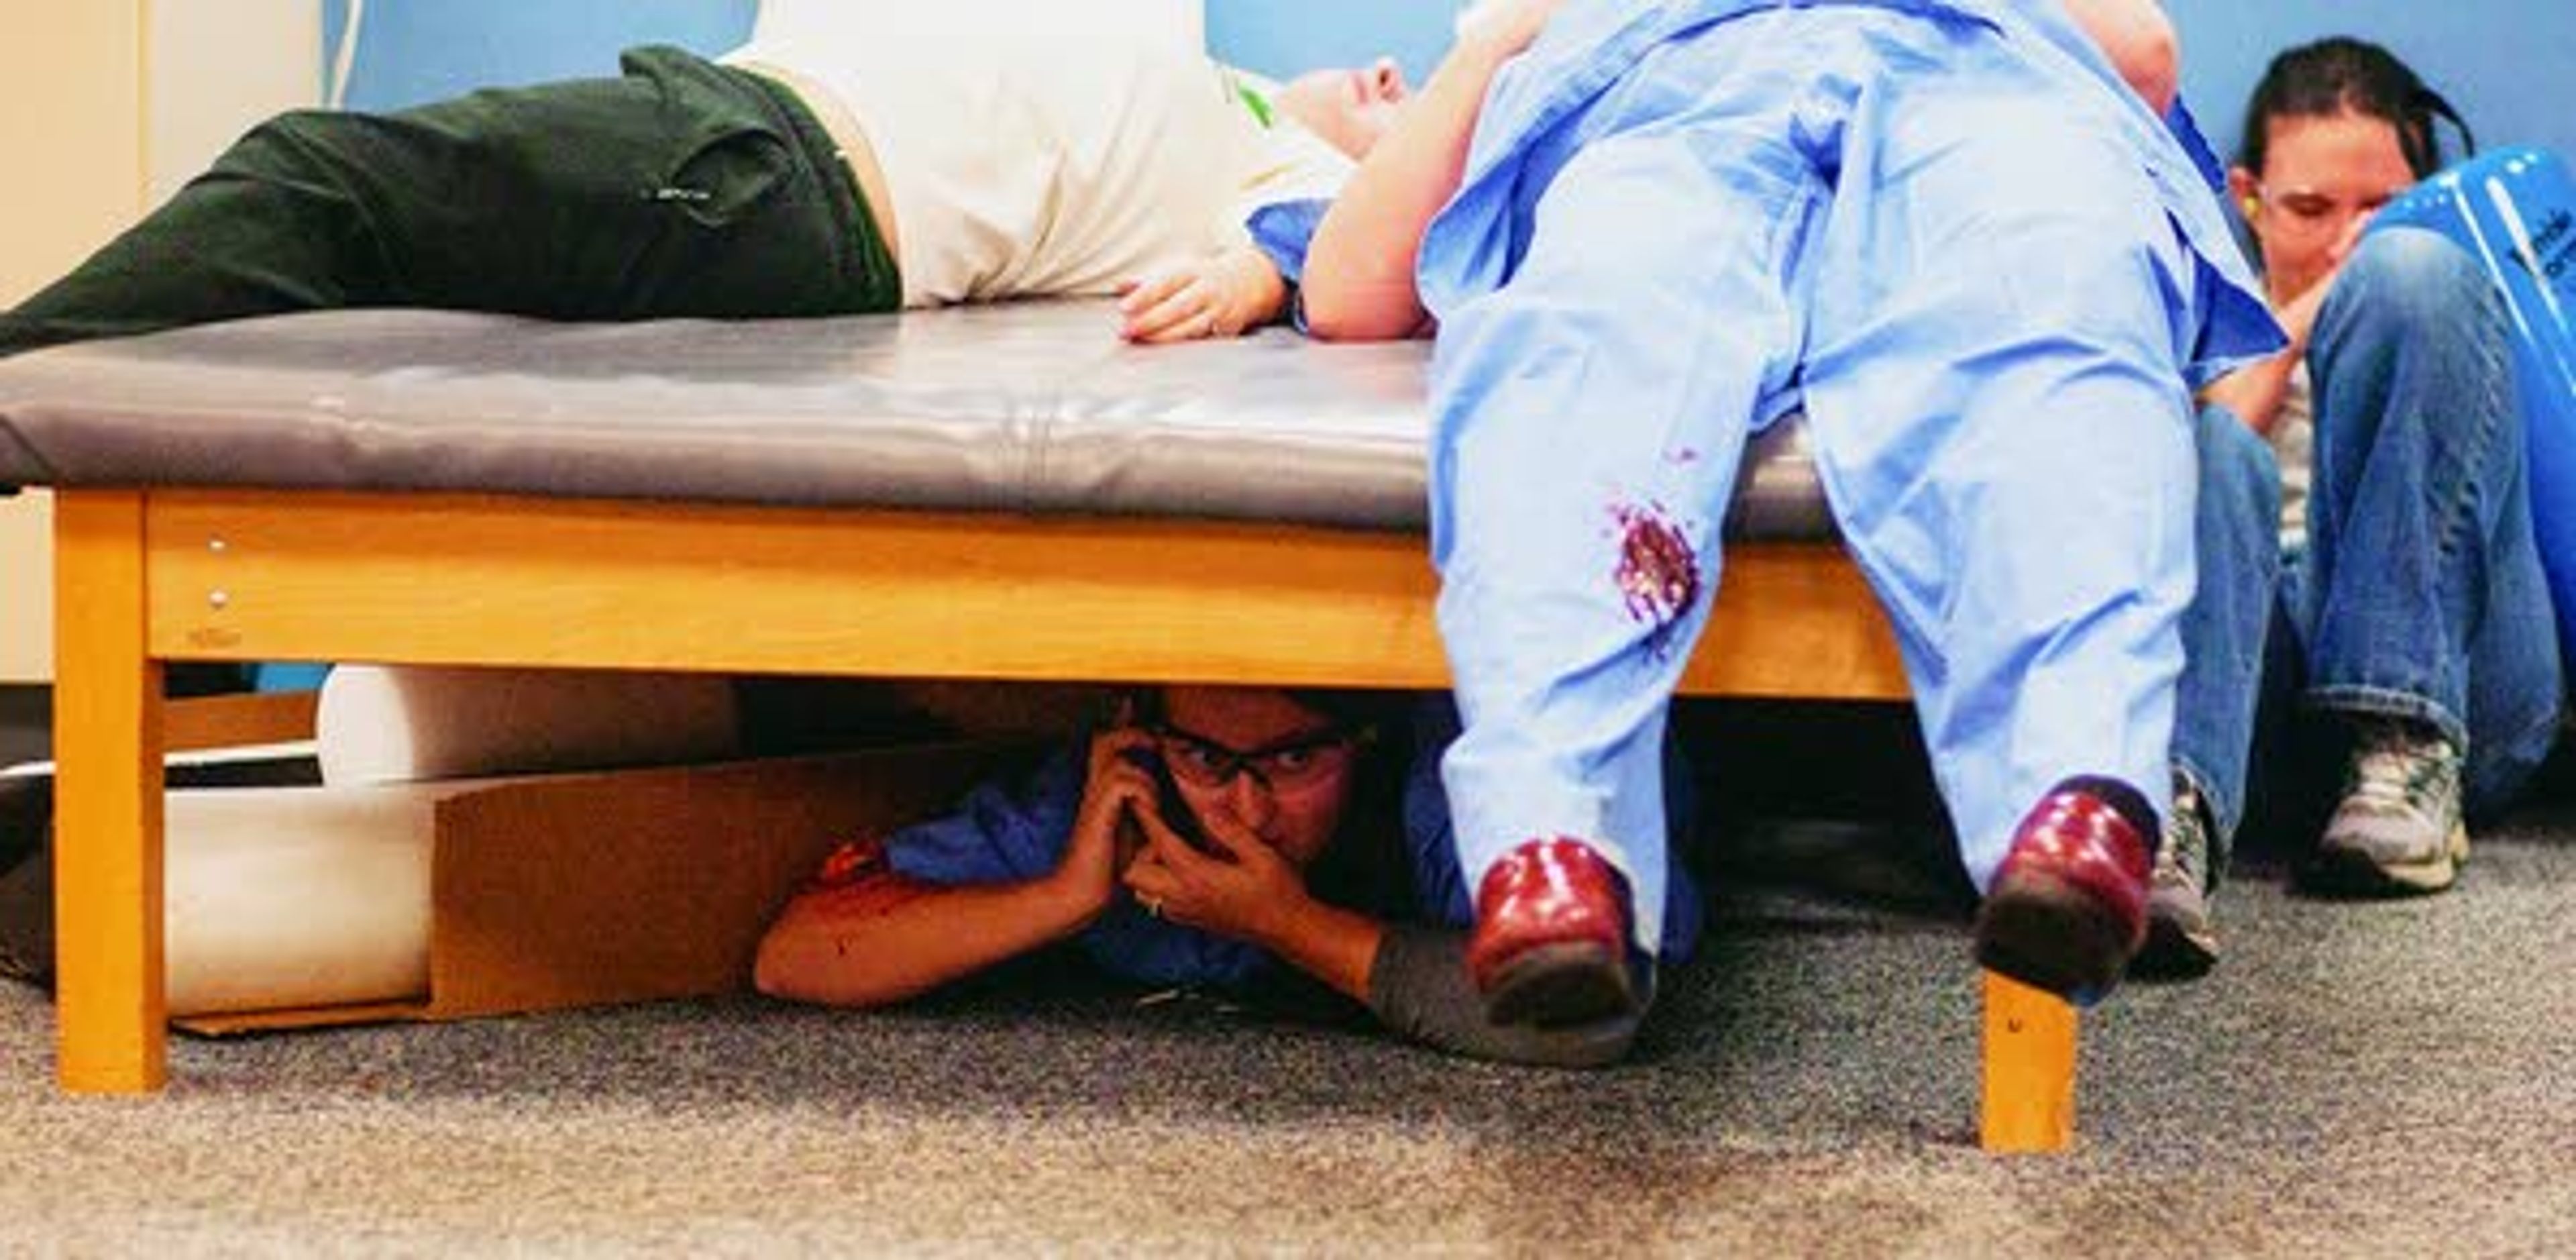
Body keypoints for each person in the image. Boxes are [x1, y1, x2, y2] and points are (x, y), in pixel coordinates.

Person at [1287, 0, 2284, 1022]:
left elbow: (2143, 53)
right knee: (1588, 334)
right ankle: (1555, 833)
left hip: (1971, 88)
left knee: (2049, 291)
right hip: (1681, 116)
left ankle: (2075, 793)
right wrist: (1503, 39)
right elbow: (1347, 290)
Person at [0, 3, 1403, 360]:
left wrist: (1244, 278)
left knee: (315, 177)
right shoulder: (1220, 77)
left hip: (776, 180)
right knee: (345, 225)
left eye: (1423, 107)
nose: (1394, 80)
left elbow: (1322, 256)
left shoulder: (1277, 166)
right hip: (732, 117)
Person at [2145, 38, 2562, 972]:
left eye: (2380, 206)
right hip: (2253, 702)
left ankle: (2400, 744)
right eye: (2308, 209)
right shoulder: (2197, 313)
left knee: (2417, 276)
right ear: (2248, 199)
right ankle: (2172, 814)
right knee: (2208, 446)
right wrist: (2315, 309)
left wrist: (2394, 265)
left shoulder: (2453, 297)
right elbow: (2222, 433)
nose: (2346, 238)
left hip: (2463, 687)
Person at [753, 684, 1704, 1066]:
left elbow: (1585, 1020)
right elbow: (794, 957)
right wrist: (1058, 899)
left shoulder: (1454, 793)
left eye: (1295, 763)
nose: (1246, 811)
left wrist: (1287, 924)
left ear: (1365, 742)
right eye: (1209, 762)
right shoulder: (1119, 800)